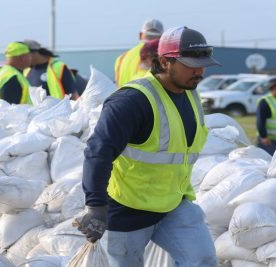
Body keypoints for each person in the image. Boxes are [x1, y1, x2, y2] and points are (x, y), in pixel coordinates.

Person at [76, 26, 219, 267]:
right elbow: (98, 151)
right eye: (191, 65)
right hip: (127, 210)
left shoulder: (190, 94)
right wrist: (95, 205)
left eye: (202, 64)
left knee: (202, 260)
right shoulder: (132, 101)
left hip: (173, 205)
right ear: (165, 62)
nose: (199, 71)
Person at [114, 19, 164, 87]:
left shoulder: (121, 58)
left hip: (121, 96)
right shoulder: (156, 55)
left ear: (140, 35)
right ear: (163, 37)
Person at [0, 42, 32, 108]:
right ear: (22, 57)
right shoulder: (13, 77)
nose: (31, 58)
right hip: (14, 117)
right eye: (29, 55)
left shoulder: (0, 72)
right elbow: (10, 109)